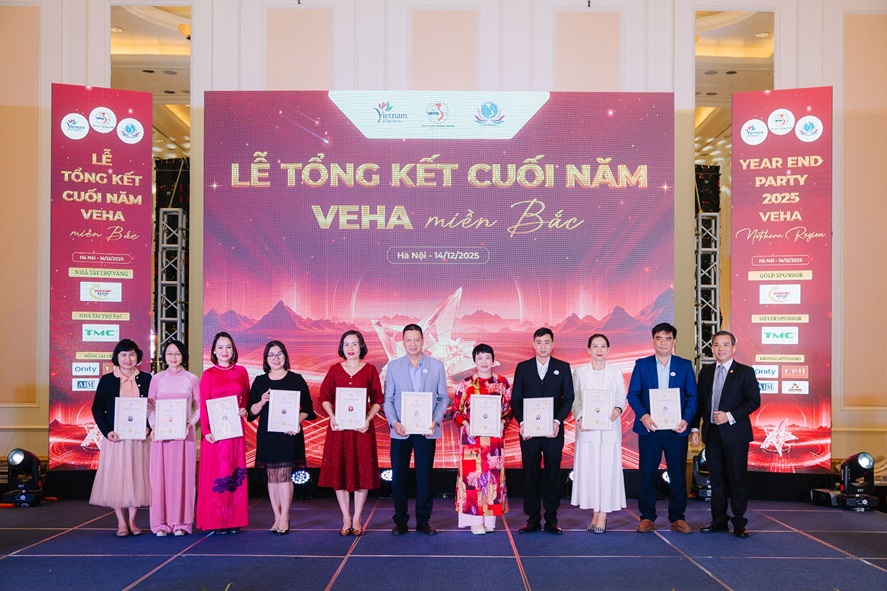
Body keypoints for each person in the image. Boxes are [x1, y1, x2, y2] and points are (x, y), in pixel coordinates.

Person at [627, 322, 698, 534]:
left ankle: (677, 518)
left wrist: (686, 419)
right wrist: (644, 415)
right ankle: (647, 517)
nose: (663, 342)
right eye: (659, 338)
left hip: (676, 430)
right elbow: (633, 395)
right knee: (647, 474)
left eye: (668, 338)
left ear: (674, 341)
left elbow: (693, 397)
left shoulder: (684, 365)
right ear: (653, 341)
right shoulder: (642, 365)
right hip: (650, 429)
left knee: (677, 474)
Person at [690, 330, 761, 538]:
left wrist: (729, 416)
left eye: (725, 345)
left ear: (734, 348)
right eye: (716, 345)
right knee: (716, 480)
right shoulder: (705, 372)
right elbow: (699, 403)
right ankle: (719, 521)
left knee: (737, 480)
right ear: (712, 348)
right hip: (712, 434)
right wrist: (694, 427)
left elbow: (754, 401)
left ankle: (739, 523)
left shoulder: (745, 372)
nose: (721, 349)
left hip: (736, 435)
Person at [383, 324, 449, 535]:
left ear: (423, 341)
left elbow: (443, 398)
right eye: (408, 340)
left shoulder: (436, 366)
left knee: (424, 477)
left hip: (426, 431)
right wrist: (394, 422)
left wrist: (435, 420)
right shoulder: (394, 367)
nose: (412, 344)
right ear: (403, 342)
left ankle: (423, 520)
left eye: (416, 340)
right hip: (400, 431)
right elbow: (388, 400)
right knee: (398, 478)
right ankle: (401, 520)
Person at [318, 330, 384, 536]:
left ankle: (357, 518)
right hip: (339, 430)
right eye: (346, 344)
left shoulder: (370, 370)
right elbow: (324, 396)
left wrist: (368, 419)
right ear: (341, 347)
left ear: (361, 346)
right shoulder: (335, 370)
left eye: (354, 344)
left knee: (362, 472)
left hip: (362, 429)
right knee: (340, 472)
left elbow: (377, 400)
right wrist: (332, 415)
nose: (350, 348)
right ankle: (346, 517)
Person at [248, 340, 316, 535]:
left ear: (285, 356)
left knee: (284, 477)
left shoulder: (296, 379)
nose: (275, 358)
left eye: (279, 354)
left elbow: (308, 409)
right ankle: (276, 517)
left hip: (288, 435)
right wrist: (262, 401)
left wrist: (296, 422)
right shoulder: (260, 381)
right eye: (271, 355)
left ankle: (285, 516)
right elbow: (251, 412)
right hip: (267, 435)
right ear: (266, 359)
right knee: (272, 478)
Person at [511, 328, 574, 535]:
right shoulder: (523, 368)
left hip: (553, 431)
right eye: (539, 342)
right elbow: (516, 400)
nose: (543, 346)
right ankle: (532, 519)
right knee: (530, 475)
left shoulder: (563, 367)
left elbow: (568, 399)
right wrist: (523, 423)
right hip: (528, 432)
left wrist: (557, 421)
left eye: (547, 342)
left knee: (552, 474)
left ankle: (551, 519)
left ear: (553, 344)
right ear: (533, 344)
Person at [89, 338, 152, 537]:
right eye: (123, 355)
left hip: (140, 440)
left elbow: (153, 407)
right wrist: (107, 431)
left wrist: (149, 427)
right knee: (117, 479)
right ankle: (121, 523)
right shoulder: (107, 380)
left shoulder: (147, 379)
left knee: (137, 478)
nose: (127, 359)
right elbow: (97, 408)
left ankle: (133, 521)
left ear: (137, 357)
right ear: (117, 357)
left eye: (131, 354)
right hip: (116, 439)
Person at [452, 344, 513, 535]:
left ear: (493, 361)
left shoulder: (502, 383)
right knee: (473, 480)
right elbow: (456, 410)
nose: (484, 362)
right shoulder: (466, 384)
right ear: (474, 361)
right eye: (480, 358)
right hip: (472, 440)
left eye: (487, 358)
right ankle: (475, 521)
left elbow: (509, 409)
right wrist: (467, 424)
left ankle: (490, 521)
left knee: (492, 479)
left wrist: (503, 422)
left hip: (494, 440)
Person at [571, 334, 627, 533]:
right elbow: (575, 399)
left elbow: (621, 396)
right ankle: (595, 512)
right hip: (588, 430)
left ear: (608, 349)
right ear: (589, 350)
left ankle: (603, 514)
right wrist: (579, 417)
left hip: (609, 428)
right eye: (595, 346)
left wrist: (618, 409)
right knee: (591, 472)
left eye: (603, 346)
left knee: (607, 471)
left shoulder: (615, 371)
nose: (599, 350)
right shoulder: (579, 372)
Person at [196, 332, 250, 535]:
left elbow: (246, 396)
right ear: (214, 351)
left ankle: (234, 519)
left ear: (233, 349)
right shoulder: (208, 374)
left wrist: (244, 409)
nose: (224, 351)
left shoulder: (241, 371)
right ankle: (217, 520)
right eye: (220, 347)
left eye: (228, 347)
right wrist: (206, 430)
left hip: (235, 431)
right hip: (215, 434)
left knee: (235, 474)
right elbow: (203, 403)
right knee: (217, 474)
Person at [147, 339, 200, 537]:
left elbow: (199, 406)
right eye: (169, 353)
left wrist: (189, 424)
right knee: (160, 479)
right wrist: (154, 426)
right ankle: (160, 523)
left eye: (177, 353)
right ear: (164, 356)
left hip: (184, 436)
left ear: (183, 356)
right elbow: (150, 406)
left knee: (183, 478)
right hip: (161, 436)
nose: (173, 357)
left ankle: (181, 523)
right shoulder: (157, 379)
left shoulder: (191, 379)